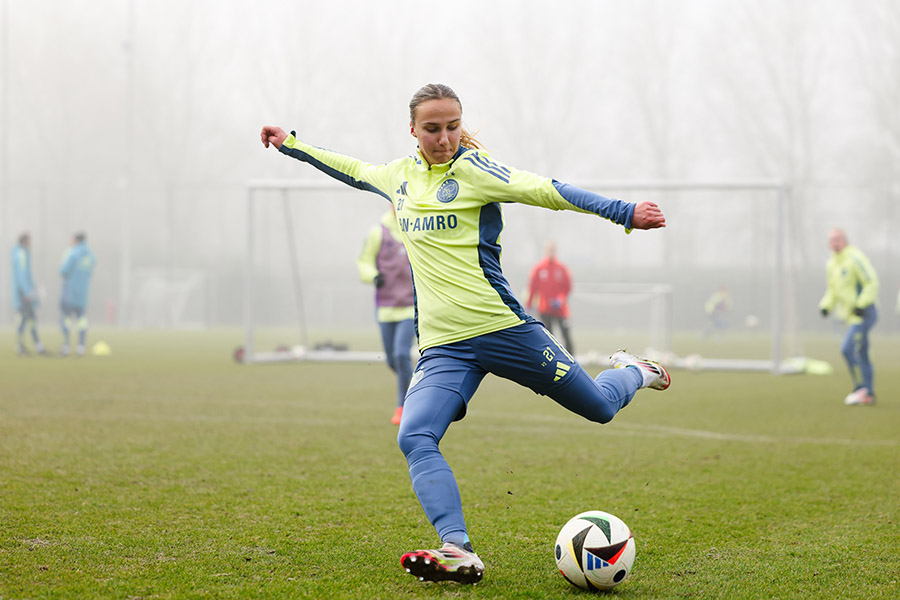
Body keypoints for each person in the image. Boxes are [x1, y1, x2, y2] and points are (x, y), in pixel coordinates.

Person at [260, 83, 670, 585]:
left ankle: (633, 371)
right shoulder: (398, 178)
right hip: (443, 349)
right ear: (412, 130)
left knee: (601, 409)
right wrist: (291, 143)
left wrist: (623, 212)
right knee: (414, 436)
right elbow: (350, 168)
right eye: (432, 129)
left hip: (505, 331)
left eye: (452, 126)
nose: (444, 138)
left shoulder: (476, 171)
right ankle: (457, 549)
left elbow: (548, 190)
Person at [357, 209, 416, 425]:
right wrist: (373, 276)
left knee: (402, 355)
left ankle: (403, 407)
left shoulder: (417, 228)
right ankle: (419, 386)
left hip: (411, 307)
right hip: (385, 307)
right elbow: (364, 261)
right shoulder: (377, 232)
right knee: (393, 360)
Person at [819, 228, 878, 406]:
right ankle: (868, 393)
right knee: (861, 352)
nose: (835, 242)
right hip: (850, 317)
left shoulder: (855, 258)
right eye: (832, 239)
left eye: (838, 238)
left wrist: (861, 304)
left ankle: (861, 389)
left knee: (848, 349)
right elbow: (833, 290)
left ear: (845, 240)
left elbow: (872, 281)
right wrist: (826, 306)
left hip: (864, 313)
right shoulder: (832, 264)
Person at [526, 241, 575, 353]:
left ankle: (572, 360)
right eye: (549, 250)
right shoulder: (539, 268)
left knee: (566, 335)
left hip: (560, 309)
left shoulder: (562, 268)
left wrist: (560, 299)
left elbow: (567, 287)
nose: (551, 252)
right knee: (547, 338)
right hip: (545, 309)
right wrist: (528, 305)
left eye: (553, 250)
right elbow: (532, 288)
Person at [59, 232, 97, 357]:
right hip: (83, 292)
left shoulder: (73, 253)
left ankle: (66, 346)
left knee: (66, 318)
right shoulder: (90, 256)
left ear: (76, 240)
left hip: (70, 291)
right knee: (82, 319)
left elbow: (64, 270)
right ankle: (81, 346)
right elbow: (90, 270)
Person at [11, 232, 47, 356]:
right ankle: (21, 346)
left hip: (26, 292)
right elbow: (21, 274)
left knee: (31, 318)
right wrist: (27, 292)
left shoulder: (23, 253)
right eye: (30, 240)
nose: (31, 243)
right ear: (25, 241)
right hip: (23, 293)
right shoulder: (21, 254)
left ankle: (37, 346)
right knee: (24, 318)